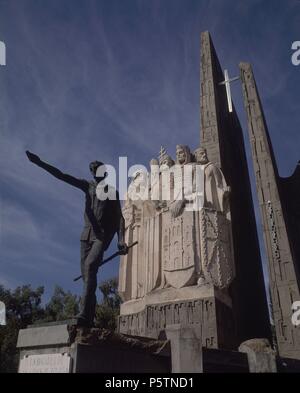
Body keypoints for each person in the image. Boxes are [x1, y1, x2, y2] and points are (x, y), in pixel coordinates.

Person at [25, 151, 128, 327]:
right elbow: (61, 176)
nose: (95, 172)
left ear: (104, 173)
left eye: (98, 169)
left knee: (89, 268)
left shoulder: (112, 192)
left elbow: (119, 218)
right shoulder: (86, 186)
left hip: (100, 237)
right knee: (88, 277)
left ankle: (82, 312)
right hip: (85, 236)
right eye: (92, 170)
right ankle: (89, 316)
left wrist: (121, 240)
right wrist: (40, 163)